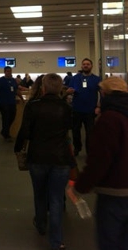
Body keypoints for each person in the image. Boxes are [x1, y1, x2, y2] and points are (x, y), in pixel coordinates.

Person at [14, 73, 73, 250]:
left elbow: (25, 131)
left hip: (37, 157)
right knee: (56, 199)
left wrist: (17, 148)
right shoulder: (66, 108)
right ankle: (56, 240)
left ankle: (40, 224)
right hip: (60, 158)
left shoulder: (33, 106)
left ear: (43, 88)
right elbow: (67, 132)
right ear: (60, 88)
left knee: (39, 193)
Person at [74, 76, 128, 250]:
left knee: (110, 241)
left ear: (104, 93)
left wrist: (81, 185)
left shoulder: (109, 119)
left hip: (114, 191)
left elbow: (100, 159)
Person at [65, 58, 101, 156]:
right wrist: (68, 93)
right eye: (84, 64)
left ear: (91, 66)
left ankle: (90, 151)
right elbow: (69, 91)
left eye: (88, 64)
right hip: (77, 109)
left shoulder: (97, 79)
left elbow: (102, 94)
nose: (85, 65)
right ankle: (77, 148)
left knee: (90, 132)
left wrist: (98, 106)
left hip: (90, 110)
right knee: (75, 131)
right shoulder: (75, 78)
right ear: (81, 66)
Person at [0, 66, 23, 141]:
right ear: (5, 72)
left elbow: (16, 90)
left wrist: (22, 98)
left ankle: (4, 131)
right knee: (6, 118)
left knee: (12, 117)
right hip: (3, 103)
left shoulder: (13, 80)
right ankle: (6, 134)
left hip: (12, 102)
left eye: (10, 71)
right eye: (8, 71)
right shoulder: (0, 81)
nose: (9, 72)